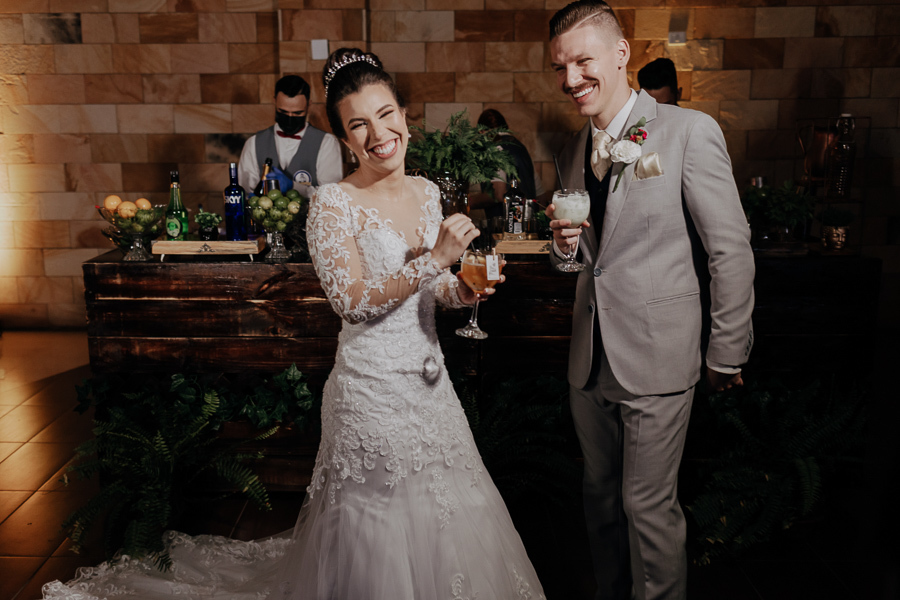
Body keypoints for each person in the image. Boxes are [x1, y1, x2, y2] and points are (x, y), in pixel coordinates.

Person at [41, 48, 546, 600]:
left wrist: (464, 287)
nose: (378, 133)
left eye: (386, 114)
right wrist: (435, 260)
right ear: (346, 141)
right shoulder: (333, 204)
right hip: (370, 394)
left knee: (451, 512)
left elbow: (436, 291)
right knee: (375, 527)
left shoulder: (427, 192)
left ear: (403, 115)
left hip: (432, 389)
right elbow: (352, 303)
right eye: (359, 125)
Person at [546, 2, 755, 600]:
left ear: (620, 56)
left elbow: (730, 251)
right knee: (600, 501)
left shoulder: (689, 131)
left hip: (659, 356)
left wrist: (726, 353)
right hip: (590, 361)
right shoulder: (569, 149)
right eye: (561, 66)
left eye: (583, 61)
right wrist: (561, 248)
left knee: (648, 507)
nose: (571, 79)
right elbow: (582, 262)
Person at [238, 74, 344, 196]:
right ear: (274, 102)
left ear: (309, 105)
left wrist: (294, 186)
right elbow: (245, 192)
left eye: (297, 113)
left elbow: (331, 195)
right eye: (283, 112)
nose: (289, 117)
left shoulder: (327, 143)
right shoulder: (254, 143)